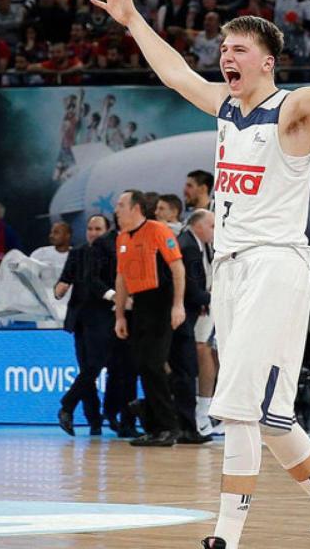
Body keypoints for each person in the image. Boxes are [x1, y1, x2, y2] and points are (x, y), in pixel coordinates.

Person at [91, 0, 310, 545]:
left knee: (240, 410)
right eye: (223, 49)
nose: (226, 57)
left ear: (267, 63)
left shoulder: (292, 112)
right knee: (270, 419)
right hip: (232, 268)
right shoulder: (225, 107)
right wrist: (133, 20)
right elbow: (174, 72)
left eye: (239, 49)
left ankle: (225, 537)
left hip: (274, 265)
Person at [113, 190, 186, 447]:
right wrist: (120, 315)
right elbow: (121, 279)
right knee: (143, 365)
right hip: (140, 304)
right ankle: (155, 428)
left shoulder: (158, 230)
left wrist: (178, 305)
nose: (117, 209)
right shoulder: (122, 238)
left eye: (121, 205)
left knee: (155, 364)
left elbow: (177, 268)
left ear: (135, 208)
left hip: (162, 301)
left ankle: (170, 427)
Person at [56, 214, 114, 436]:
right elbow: (64, 280)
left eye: (98, 228)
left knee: (94, 367)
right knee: (88, 369)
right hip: (80, 319)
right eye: (90, 228)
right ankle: (93, 421)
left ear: (107, 231)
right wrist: (58, 289)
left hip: (103, 318)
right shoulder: (78, 252)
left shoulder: (112, 252)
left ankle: (68, 405)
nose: (92, 233)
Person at [172, 208, 215, 444]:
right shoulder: (188, 245)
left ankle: (186, 425)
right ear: (198, 225)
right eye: (212, 226)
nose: (215, 231)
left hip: (190, 313)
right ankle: (187, 427)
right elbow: (192, 290)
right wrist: (216, 298)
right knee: (185, 370)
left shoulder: (198, 244)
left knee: (185, 370)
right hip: (181, 315)